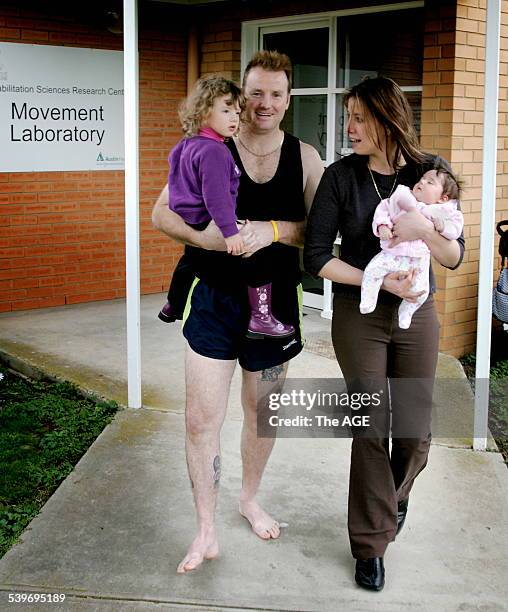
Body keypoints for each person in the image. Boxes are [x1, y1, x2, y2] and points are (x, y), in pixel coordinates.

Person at [152, 50, 324, 574]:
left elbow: (319, 233)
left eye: (275, 94)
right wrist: (206, 235)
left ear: (288, 100)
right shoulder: (208, 147)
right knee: (200, 418)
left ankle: (248, 498)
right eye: (254, 93)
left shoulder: (306, 158)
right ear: (239, 96)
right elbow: (161, 213)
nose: (263, 103)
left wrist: (269, 230)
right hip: (212, 301)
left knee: (261, 411)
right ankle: (205, 529)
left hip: (274, 304)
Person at [304, 76, 465, 591]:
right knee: (371, 425)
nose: (348, 128)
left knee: (415, 430)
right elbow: (316, 259)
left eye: (358, 117)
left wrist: (423, 233)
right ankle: (371, 544)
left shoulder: (428, 173)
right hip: (362, 312)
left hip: (418, 312)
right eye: (346, 117)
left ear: (387, 117)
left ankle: (395, 497)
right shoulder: (339, 177)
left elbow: (456, 255)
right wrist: (375, 275)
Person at [160, 74, 294, 340]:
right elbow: (217, 198)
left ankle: (173, 304)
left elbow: (175, 177)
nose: (234, 118)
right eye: (225, 111)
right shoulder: (216, 151)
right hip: (211, 218)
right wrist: (231, 232)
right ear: (204, 112)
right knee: (259, 256)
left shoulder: (185, 145)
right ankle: (261, 318)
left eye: (236, 111)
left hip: (188, 216)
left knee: (190, 259)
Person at [361, 162, 464, 328]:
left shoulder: (444, 212)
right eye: (422, 179)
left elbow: (455, 231)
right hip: (391, 254)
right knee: (372, 271)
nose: (422, 182)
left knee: (421, 291)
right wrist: (383, 226)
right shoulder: (402, 197)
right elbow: (383, 209)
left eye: (430, 182)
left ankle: (406, 312)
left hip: (417, 261)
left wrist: (442, 228)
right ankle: (368, 300)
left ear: (442, 198)